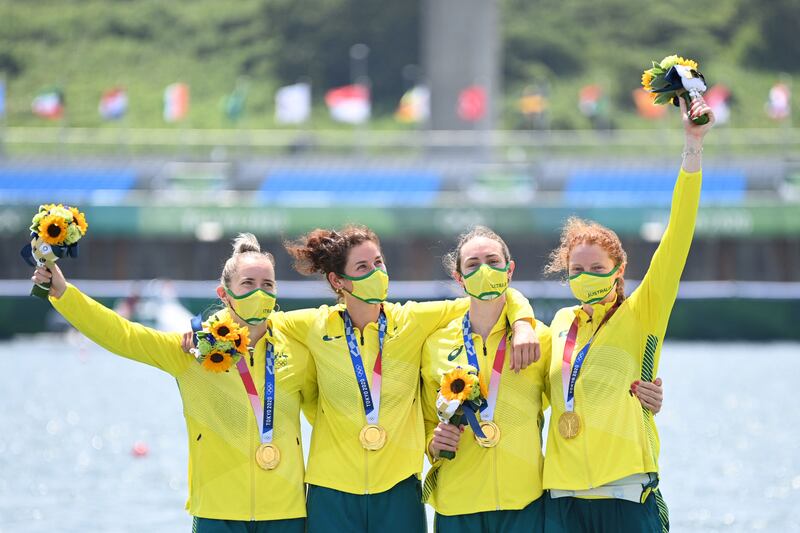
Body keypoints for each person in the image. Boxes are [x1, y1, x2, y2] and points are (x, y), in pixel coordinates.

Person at [32, 234, 312, 533]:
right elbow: (123, 335)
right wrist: (63, 292)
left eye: (267, 285)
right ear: (224, 294)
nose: (260, 292)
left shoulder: (298, 350)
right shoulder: (191, 352)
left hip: (286, 512)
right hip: (217, 512)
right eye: (248, 284)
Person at [280, 225, 539, 533]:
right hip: (331, 490)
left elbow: (491, 296)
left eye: (378, 262)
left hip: (399, 489)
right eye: (363, 267)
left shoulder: (412, 320)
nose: (376, 272)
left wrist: (523, 323)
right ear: (338, 281)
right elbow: (256, 319)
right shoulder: (311, 325)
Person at [541, 96, 714, 532]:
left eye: (596, 269)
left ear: (619, 270)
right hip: (562, 501)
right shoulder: (559, 325)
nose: (585, 276)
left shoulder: (644, 311)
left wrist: (692, 146)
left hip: (628, 495)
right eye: (576, 269)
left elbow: (678, 234)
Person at [421, 226, 664, 533]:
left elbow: (578, 393)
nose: (484, 270)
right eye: (472, 264)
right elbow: (423, 419)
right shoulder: (434, 345)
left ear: (509, 271)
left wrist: (640, 397)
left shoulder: (542, 339)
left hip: (527, 504)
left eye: (493, 262)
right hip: (457, 503)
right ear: (458, 278)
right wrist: (432, 443)